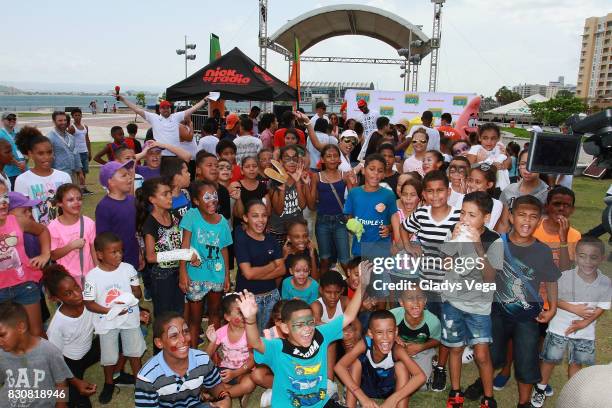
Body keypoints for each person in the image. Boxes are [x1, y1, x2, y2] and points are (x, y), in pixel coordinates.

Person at [237, 258, 365, 408]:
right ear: (285, 328)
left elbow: (348, 316)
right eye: (299, 325)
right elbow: (255, 343)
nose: (307, 329)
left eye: (310, 323)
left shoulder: (320, 334)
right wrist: (250, 320)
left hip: (321, 404)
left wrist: (363, 284)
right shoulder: (279, 347)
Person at [489, 195, 560, 408]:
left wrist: (553, 307)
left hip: (528, 317)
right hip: (497, 314)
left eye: (533, 217)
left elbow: (550, 280)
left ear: (539, 220)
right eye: (521, 215)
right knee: (492, 356)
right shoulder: (497, 243)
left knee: (527, 360)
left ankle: (523, 402)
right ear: (511, 216)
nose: (526, 221)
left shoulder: (542, 250)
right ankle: (487, 393)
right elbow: (486, 276)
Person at [440, 191, 503, 408]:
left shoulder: (493, 240)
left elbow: (490, 276)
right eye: (462, 213)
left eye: (472, 215)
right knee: (455, 348)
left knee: (482, 354)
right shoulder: (453, 231)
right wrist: (455, 242)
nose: (465, 219)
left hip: (479, 306)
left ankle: (488, 397)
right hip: (453, 301)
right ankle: (455, 390)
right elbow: (445, 264)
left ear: (485, 218)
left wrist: (477, 246)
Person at [531, 237, 611, 407]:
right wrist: (574, 309)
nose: (587, 262)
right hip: (559, 328)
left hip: (585, 332)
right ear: (575, 256)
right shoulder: (564, 277)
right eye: (582, 256)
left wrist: (584, 322)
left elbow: (602, 306)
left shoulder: (605, 283)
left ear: (602, 258)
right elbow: (553, 298)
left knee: (576, 363)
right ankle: (540, 389)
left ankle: (574, 393)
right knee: (550, 359)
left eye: (593, 257)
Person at [401, 170, 461, 392]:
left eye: (440, 191)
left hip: (449, 287)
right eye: (430, 191)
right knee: (433, 323)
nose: (435, 196)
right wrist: (408, 245)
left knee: (446, 327)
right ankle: (429, 354)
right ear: (424, 194)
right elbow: (404, 227)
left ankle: (441, 368)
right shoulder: (421, 214)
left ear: (448, 191)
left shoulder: (458, 216)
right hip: (426, 283)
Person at [83, 232, 146, 405]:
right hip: (107, 322)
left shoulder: (128, 269)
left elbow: (137, 293)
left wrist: (135, 294)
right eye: (114, 252)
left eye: (120, 251)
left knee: (134, 352)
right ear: (100, 254)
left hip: (130, 319)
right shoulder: (92, 276)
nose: (119, 255)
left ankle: (139, 383)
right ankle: (109, 383)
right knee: (109, 356)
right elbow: (88, 303)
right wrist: (110, 310)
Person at [135, 311, 230, 408]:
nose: (183, 339)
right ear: (159, 342)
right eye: (174, 336)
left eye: (186, 332)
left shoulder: (203, 360)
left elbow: (215, 386)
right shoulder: (147, 377)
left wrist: (225, 397)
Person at [334, 310, 427, 408]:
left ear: (396, 332)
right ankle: (351, 404)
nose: (385, 338)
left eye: (390, 331)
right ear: (370, 333)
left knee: (402, 366)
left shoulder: (397, 349)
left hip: (388, 389)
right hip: (365, 386)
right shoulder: (364, 344)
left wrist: (393, 399)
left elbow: (420, 376)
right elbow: (339, 367)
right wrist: (362, 397)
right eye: (379, 332)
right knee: (355, 363)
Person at [179, 181, 232, 344]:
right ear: (196, 201)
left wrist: (227, 275)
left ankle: (214, 351)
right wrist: (183, 272)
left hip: (216, 275)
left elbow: (224, 249)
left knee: (215, 313)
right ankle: (194, 354)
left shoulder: (222, 221)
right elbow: (185, 245)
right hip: (195, 275)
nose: (212, 200)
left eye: (214, 196)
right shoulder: (191, 216)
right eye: (207, 197)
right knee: (195, 319)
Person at [0, 300, 77, 408]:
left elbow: (61, 382)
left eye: (2, 335)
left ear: (21, 327)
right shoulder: (1, 354)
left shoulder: (49, 351)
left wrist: (61, 405)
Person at [43, 264, 100, 408]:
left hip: (90, 351)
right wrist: (75, 382)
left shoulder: (89, 302)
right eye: (68, 293)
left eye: (76, 287)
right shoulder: (57, 325)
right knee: (80, 403)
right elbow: (55, 361)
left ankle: (117, 375)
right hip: (69, 363)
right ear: (56, 298)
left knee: (121, 337)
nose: (77, 294)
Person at [0, 184, 50, 338]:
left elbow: (42, 230)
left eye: (5, 197)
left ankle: (45, 361)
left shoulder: (17, 221)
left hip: (25, 285)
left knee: (36, 334)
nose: (3, 202)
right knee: (7, 337)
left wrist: (45, 254)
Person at [136, 178, 186, 318]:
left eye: (170, 193)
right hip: (162, 277)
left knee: (179, 312)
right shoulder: (150, 223)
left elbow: (182, 241)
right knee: (165, 316)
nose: (170, 197)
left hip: (179, 272)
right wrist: (181, 254)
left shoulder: (175, 216)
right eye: (165, 194)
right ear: (152, 199)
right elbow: (150, 257)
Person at [234, 200, 285, 333]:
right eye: (255, 216)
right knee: (249, 340)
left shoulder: (271, 240)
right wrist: (272, 265)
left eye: (264, 215)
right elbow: (248, 273)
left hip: (272, 297)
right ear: (246, 218)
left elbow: (282, 269)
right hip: (249, 300)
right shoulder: (242, 240)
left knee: (270, 338)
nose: (261, 220)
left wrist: (255, 273)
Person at [308, 144, 354, 274]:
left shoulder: (344, 175)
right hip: (322, 222)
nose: (332, 159)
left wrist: (353, 183)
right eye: (328, 156)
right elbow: (311, 205)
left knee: (345, 260)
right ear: (322, 160)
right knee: (324, 260)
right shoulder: (317, 177)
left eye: (335, 156)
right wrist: (307, 186)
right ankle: (323, 289)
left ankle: (353, 288)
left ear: (339, 159)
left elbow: (352, 198)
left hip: (340, 222)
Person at [118, 94, 207, 161]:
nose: (166, 109)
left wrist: (204, 100)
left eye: (168, 107)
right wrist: (123, 99)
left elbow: (192, 109)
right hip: (160, 156)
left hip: (176, 155)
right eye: (163, 108)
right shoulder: (154, 118)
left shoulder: (176, 117)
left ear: (170, 109)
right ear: (159, 110)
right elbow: (137, 109)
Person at [13, 127, 72, 225]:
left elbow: (69, 206)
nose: (47, 157)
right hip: (36, 233)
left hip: (62, 231)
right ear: (30, 154)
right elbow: (23, 211)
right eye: (40, 153)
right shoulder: (22, 180)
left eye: (49, 152)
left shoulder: (64, 177)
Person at [205, 294, 256, 403]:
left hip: (244, 370)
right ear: (227, 317)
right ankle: (238, 392)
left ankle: (220, 396)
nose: (244, 315)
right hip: (225, 370)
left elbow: (252, 361)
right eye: (240, 313)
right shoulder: (221, 332)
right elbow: (205, 357)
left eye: (245, 311)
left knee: (250, 382)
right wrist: (212, 342)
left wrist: (235, 373)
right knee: (207, 379)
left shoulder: (250, 333)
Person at [344, 154, 396, 257]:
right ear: (363, 170)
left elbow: (394, 220)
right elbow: (348, 216)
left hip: (381, 249)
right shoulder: (354, 193)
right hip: (360, 248)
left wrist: (389, 228)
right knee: (362, 273)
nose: (376, 173)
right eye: (372, 169)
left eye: (380, 171)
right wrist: (351, 225)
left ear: (384, 174)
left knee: (380, 273)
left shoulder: (389, 195)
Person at [390, 286, 442, 390]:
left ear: (425, 301)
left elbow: (437, 340)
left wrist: (421, 347)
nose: (416, 303)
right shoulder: (392, 315)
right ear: (401, 302)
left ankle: (431, 360)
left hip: (422, 350)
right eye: (410, 298)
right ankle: (402, 368)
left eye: (420, 298)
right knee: (392, 379)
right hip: (397, 349)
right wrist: (393, 337)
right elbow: (379, 332)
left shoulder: (433, 321)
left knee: (422, 386)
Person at [48, 183, 97, 287]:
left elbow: (94, 250)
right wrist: (71, 246)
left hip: (90, 277)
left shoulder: (88, 223)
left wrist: (98, 272)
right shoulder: (53, 227)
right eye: (70, 200)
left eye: (79, 199)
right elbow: (53, 255)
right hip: (67, 280)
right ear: (59, 203)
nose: (76, 203)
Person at [95, 160, 140, 272]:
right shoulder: (104, 206)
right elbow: (103, 239)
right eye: (124, 175)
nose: (129, 178)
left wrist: (140, 253)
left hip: (133, 257)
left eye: (129, 174)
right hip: (115, 263)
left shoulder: (132, 200)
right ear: (111, 182)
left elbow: (136, 232)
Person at [497, 149, 550, 233]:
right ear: (518, 165)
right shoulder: (509, 190)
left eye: (532, 165)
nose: (527, 169)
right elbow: (503, 224)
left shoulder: (548, 194)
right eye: (523, 164)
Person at [533, 186, 582, 271]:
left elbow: (565, 270)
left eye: (567, 205)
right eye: (556, 204)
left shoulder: (575, 236)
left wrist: (564, 240)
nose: (561, 208)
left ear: (572, 210)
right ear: (546, 206)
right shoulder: (533, 228)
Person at [269, 145, 309, 245]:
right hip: (279, 230)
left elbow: (302, 206)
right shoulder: (273, 182)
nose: (291, 161)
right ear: (281, 161)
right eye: (287, 158)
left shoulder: (301, 179)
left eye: (294, 158)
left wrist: (298, 182)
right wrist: (282, 189)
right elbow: (278, 211)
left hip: (297, 229)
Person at [467, 123, 511, 190]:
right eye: (485, 138)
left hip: (498, 187)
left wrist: (503, 165)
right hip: (480, 187)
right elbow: (468, 168)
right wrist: (481, 162)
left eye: (493, 138)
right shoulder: (476, 149)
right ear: (479, 138)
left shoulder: (499, 147)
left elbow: (508, 163)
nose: (489, 141)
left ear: (498, 138)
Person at [46, 111, 84, 187]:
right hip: (58, 174)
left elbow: (76, 154)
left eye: (65, 120)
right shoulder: (50, 138)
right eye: (60, 120)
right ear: (54, 121)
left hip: (72, 173)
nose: (63, 122)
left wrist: (80, 172)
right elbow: (47, 158)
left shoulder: (71, 137)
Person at [229, 156, 270, 222]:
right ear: (242, 171)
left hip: (259, 223)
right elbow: (239, 215)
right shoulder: (236, 186)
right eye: (247, 167)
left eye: (254, 166)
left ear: (258, 169)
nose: (251, 169)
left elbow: (268, 211)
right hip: (241, 225)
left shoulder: (263, 186)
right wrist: (238, 198)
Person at [67, 108, 93, 195]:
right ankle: (78, 189)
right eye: (75, 115)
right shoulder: (72, 128)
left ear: (81, 115)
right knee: (78, 172)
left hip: (84, 152)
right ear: (73, 117)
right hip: (76, 153)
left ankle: (83, 188)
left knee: (84, 171)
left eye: (79, 115)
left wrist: (89, 151)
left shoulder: (85, 127)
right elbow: (68, 140)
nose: (77, 117)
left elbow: (87, 139)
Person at [0, 112, 27, 189]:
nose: (12, 120)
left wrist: (25, 161)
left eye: (14, 119)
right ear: (2, 120)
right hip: (10, 172)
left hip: (23, 170)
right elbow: (3, 153)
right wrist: (18, 164)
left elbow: (25, 148)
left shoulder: (18, 133)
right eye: (9, 119)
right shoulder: (1, 134)